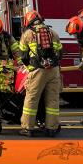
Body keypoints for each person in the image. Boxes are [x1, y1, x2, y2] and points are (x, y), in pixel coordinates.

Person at [18, 8, 63, 137]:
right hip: (54, 70)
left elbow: (23, 55)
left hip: (37, 70)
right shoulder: (53, 33)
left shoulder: (27, 34)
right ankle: (51, 128)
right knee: (52, 100)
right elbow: (60, 53)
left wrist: (30, 67)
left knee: (32, 99)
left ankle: (27, 128)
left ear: (28, 21)